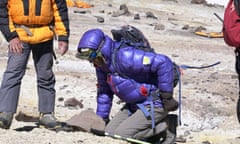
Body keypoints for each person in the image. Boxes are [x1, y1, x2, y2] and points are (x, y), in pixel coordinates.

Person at [76, 26, 178, 143]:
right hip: (133, 105)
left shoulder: (125, 56)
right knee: (109, 132)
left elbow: (163, 62)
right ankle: (151, 131)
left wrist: (167, 97)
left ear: (101, 50)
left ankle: (166, 125)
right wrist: (102, 118)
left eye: (92, 56)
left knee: (122, 134)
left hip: (154, 103)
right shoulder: (101, 65)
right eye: (88, 58)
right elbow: (104, 92)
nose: (91, 61)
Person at [0, 0, 69, 129]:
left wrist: (63, 37)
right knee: (13, 73)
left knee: (46, 75)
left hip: (44, 35)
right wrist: (11, 36)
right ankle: (5, 113)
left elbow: (60, 10)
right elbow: (2, 11)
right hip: (19, 35)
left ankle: (47, 115)